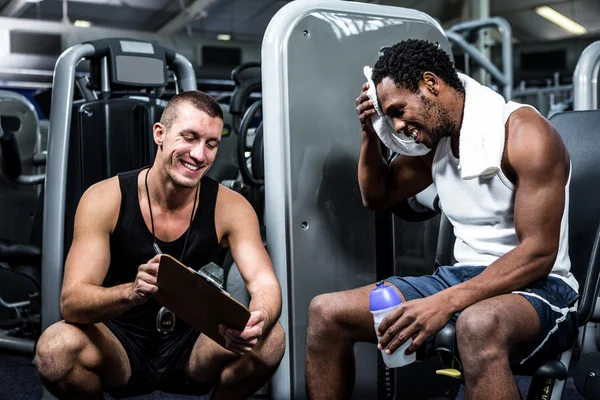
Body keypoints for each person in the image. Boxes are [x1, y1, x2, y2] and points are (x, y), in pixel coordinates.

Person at [305, 39, 579, 399]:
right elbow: (377, 197)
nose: (399, 126)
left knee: (477, 324)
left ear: (430, 84)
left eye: (399, 110)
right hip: (462, 277)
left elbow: (539, 254)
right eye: (390, 118)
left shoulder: (526, 134)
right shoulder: (437, 145)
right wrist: (369, 133)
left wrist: (446, 301)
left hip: (542, 287)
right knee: (326, 312)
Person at [34, 90, 285, 399]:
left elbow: (265, 285)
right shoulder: (104, 199)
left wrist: (254, 324)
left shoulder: (231, 207)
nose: (199, 155)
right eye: (189, 138)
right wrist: (130, 292)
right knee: (53, 350)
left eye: (211, 144)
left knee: (272, 340)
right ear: (160, 134)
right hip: (120, 342)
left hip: (194, 344)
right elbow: (71, 302)